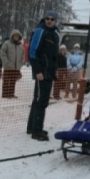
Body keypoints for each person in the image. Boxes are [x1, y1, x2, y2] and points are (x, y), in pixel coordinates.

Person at [27, 11, 60, 141]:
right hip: (42, 72)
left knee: (39, 99)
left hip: (49, 73)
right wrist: (37, 71)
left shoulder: (55, 34)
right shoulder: (40, 31)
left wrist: (54, 70)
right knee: (41, 101)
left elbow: (54, 56)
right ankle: (36, 131)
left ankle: (32, 127)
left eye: (52, 19)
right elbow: (33, 52)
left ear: (55, 21)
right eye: (47, 18)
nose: (49, 21)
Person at [0, 30, 24, 98]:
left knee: (13, 81)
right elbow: (2, 53)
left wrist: (22, 62)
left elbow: (23, 54)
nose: (16, 37)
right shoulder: (7, 43)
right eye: (14, 36)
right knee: (6, 80)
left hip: (16, 67)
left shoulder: (20, 45)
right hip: (8, 66)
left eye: (17, 36)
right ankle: (5, 94)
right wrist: (6, 61)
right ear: (12, 36)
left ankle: (11, 93)